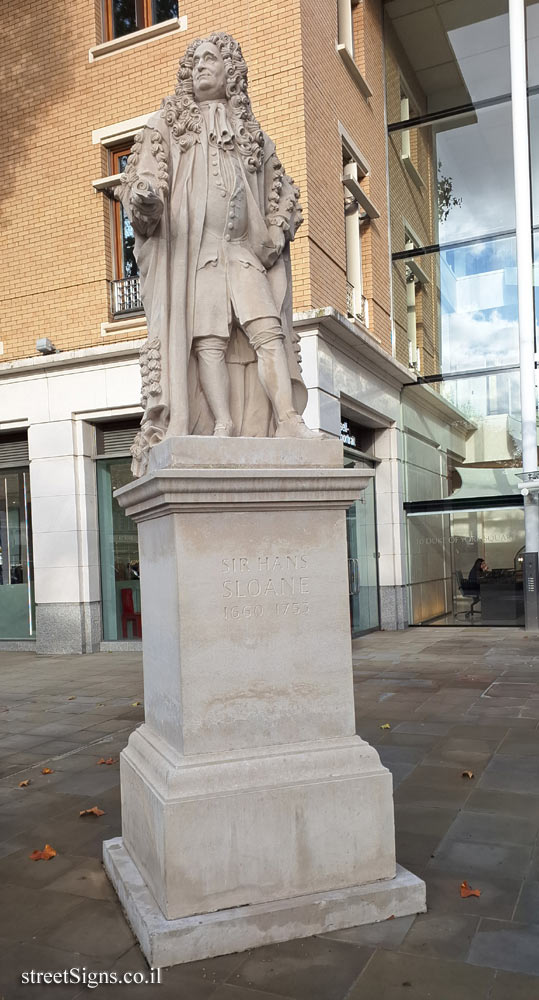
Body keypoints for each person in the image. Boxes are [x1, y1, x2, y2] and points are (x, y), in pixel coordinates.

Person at [120, 31, 319, 476]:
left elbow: (284, 192)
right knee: (207, 339)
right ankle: (222, 424)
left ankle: (287, 420)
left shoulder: (253, 136)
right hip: (198, 255)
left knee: (268, 331)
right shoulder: (165, 126)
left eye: (211, 59)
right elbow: (141, 182)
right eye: (194, 62)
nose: (200, 67)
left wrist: (276, 226)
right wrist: (146, 198)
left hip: (242, 253)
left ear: (231, 71)